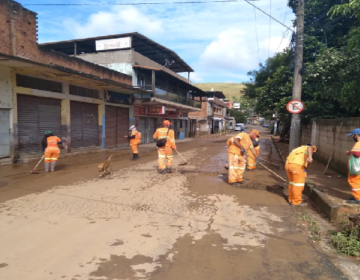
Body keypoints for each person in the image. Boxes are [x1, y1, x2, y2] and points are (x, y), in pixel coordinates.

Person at [346, 129, 360, 204]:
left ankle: (358, 198)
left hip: (357, 167)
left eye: (353, 135)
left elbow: (358, 154)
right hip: (357, 166)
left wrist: (351, 153)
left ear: (357, 135)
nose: (352, 137)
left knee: (354, 181)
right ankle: (356, 196)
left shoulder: (359, 143)